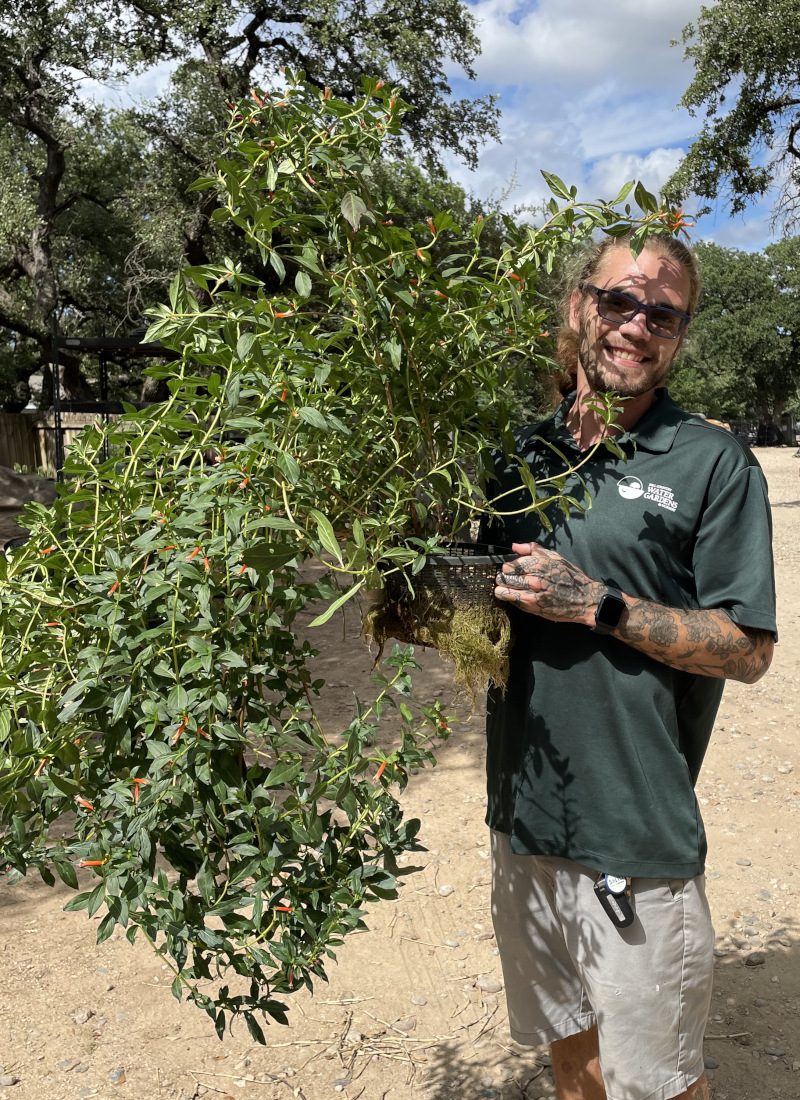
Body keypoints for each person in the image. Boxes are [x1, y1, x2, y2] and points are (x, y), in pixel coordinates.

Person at [481, 233, 777, 1100]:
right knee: (567, 1047)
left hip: (634, 832)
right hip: (522, 815)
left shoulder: (711, 461)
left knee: (660, 1083)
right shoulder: (515, 456)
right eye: (621, 300)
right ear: (580, 308)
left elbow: (749, 650)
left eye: (664, 313)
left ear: (679, 336)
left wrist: (602, 606)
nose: (637, 325)